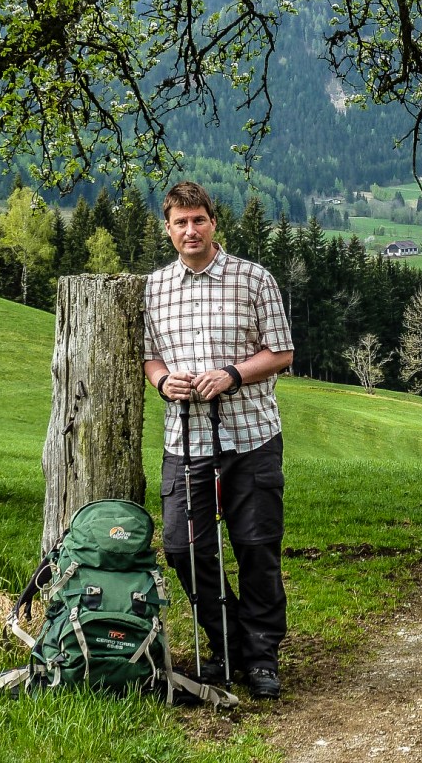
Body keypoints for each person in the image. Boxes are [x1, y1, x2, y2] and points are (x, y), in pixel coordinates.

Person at [143, 181, 294, 699]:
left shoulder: (253, 279)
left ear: (213, 222)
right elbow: (150, 357)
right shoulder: (155, 287)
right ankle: (224, 643)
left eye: (199, 220)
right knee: (184, 549)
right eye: (180, 222)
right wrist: (164, 381)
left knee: (256, 547)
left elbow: (281, 352)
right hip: (185, 440)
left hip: (251, 436)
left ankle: (261, 656)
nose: (191, 230)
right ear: (168, 229)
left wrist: (231, 374)